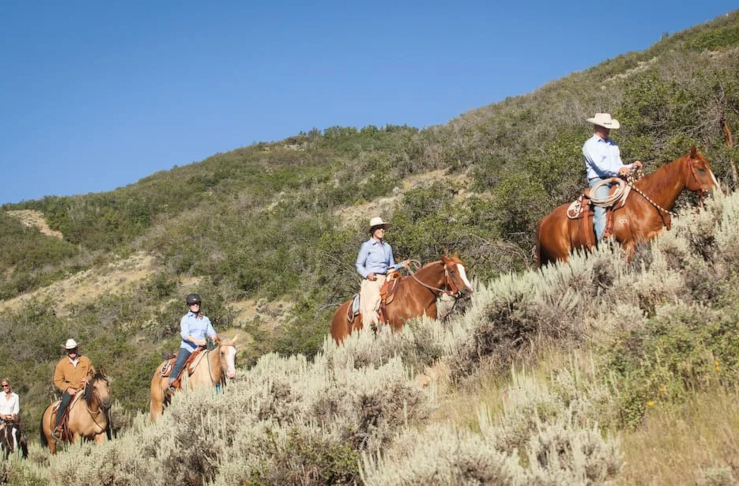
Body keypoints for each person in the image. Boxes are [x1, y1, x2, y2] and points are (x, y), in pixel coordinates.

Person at [583, 113, 643, 242]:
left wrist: (632, 166)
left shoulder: (613, 144)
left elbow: (619, 165)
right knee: (601, 207)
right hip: (599, 181)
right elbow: (600, 166)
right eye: (604, 127)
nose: (607, 130)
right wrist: (619, 170)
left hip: (616, 179)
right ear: (596, 126)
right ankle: (603, 244)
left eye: (608, 127)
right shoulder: (589, 145)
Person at [355, 217, 410, 329]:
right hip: (373, 278)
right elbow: (359, 265)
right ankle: (371, 325)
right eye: (378, 228)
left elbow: (391, 265)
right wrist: (367, 274)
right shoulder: (367, 246)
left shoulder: (387, 247)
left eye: (383, 228)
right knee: (375, 298)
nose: (381, 230)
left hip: (386, 276)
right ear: (373, 231)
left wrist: (401, 265)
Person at [168, 294, 217, 393]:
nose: (195, 305)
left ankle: (218, 383)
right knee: (179, 363)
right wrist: (198, 341)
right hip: (188, 347)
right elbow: (185, 335)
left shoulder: (205, 319)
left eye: (196, 303)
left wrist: (213, 336)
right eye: (192, 304)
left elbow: (211, 331)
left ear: (199, 304)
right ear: (189, 306)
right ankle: (172, 383)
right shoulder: (186, 319)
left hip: (202, 348)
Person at [53, 339, 95, 435]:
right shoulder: (61, 364)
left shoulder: (85, 360)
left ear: (77, 349)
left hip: (85, 388)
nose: (72, 352)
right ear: (67, 351)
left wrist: (87, 379)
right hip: (71, 390)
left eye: (73, 349)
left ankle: (104, 424)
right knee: (64, 403)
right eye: (69, 350)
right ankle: (57, 426)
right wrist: (68, 388)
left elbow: (92, 373)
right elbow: (58, 380)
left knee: (97, 399)